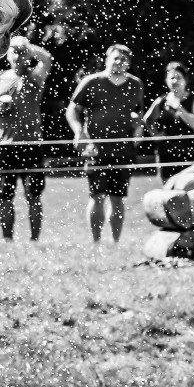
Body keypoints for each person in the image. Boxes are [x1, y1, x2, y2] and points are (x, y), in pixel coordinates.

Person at [66, 44, 145, 243]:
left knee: (117, 199)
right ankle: (96, 243)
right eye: (116, 58)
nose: (119, 62)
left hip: (123, 150)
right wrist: (79, 132)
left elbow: (137, 114)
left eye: (124, 59)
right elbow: (72, 110)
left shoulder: (136, 84)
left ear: (129, 63)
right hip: (95, 149)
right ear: (107, 59)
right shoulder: (91, 82)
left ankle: (116, 244)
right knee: (97, 196)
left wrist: (138, 130)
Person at [0, 36, 54, 241]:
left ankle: (34, 240)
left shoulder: (35, 75)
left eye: (21, 52)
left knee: (34, 195)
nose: (17, 55)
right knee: (4, 196)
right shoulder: (0, 76)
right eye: (13, 51)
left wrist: (27, 46)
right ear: (7, 54)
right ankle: (7, 240)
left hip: (31, 144)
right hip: (5, 145)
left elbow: (47, 58)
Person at [140, 61, 194, 183]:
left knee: (190, 186)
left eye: (178, 77)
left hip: (190, 151)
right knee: (169, 188)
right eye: (172, 78)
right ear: (166, 81)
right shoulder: (162, 100)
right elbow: (147, 119)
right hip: (166, 153)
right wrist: (155, 135)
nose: (175, 81)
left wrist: (179, 107)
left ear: (185, 80)